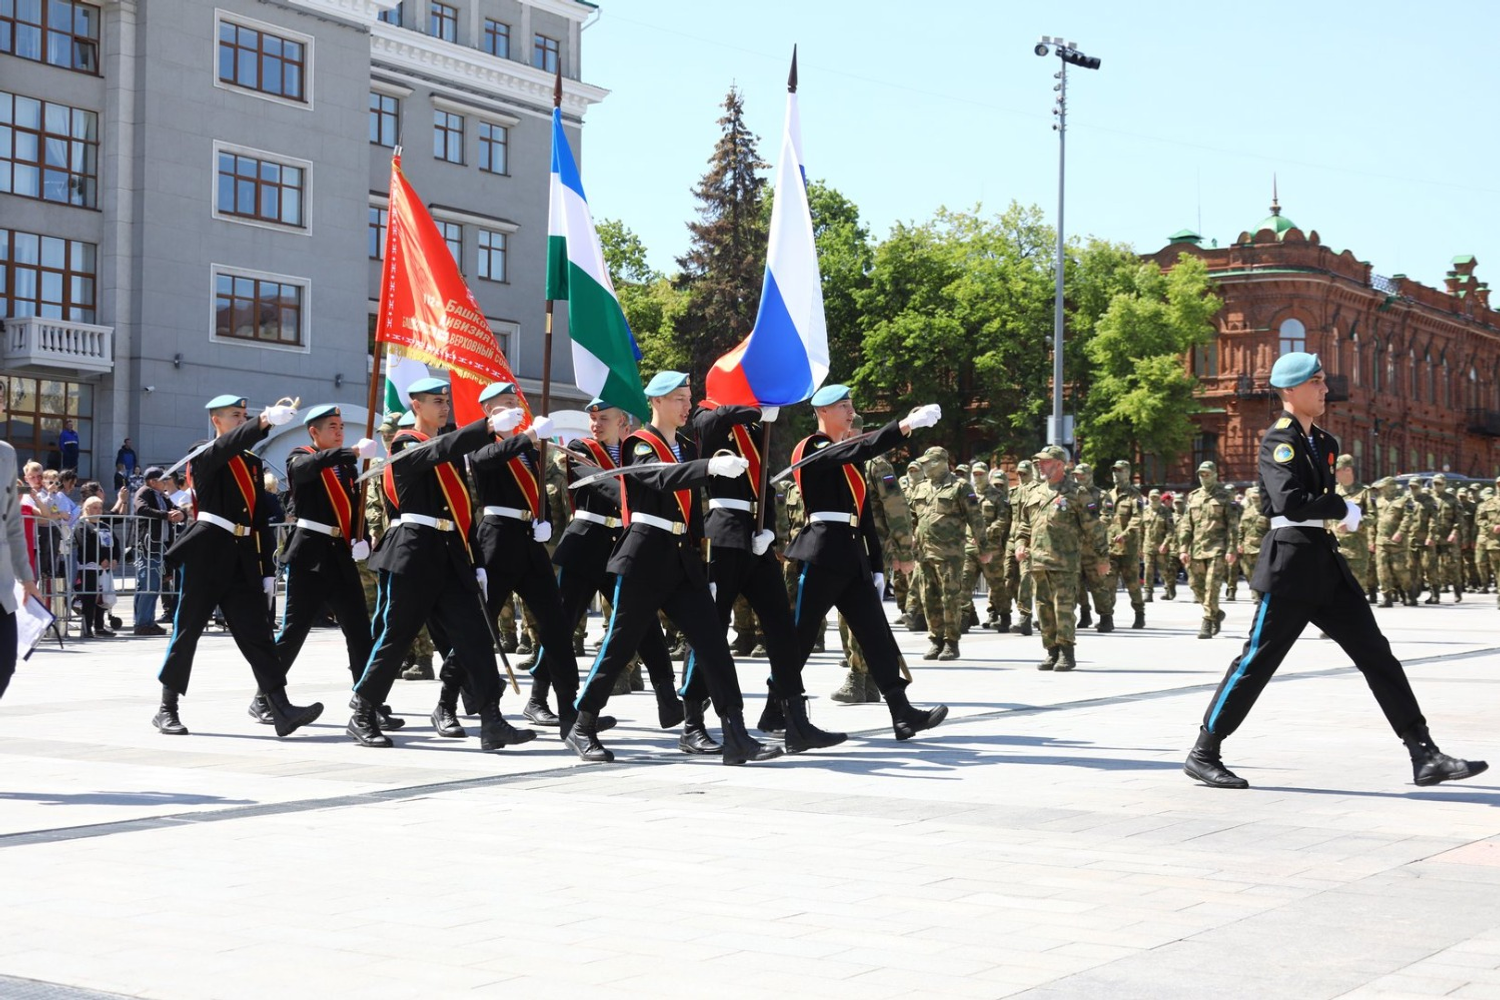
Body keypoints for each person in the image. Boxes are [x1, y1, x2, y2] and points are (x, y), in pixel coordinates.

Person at [1184, 353, 1488, 789]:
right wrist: (1341, 506)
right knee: (1257, 661)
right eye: (1316, 382)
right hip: (1289, 562)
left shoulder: (1324, 443)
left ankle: (1424, 753)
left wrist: (1339, 512)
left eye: (1324, 381)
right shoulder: (1278, 441)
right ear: (1290, 391)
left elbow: (1311, 500)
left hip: (1323, 560)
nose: (1325, 389)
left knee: (1376, 654)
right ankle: (1203, 752)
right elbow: (1289, 501)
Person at [567, 371, 778, 765]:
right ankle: (582, 724)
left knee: (714, 646)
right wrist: (708, 469)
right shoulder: (639, 444)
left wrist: (704, 564)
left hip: (682, 559)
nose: (686, 406)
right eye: (679, 399)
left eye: (688, 398)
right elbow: (659, 479)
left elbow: (692, 514)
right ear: (657, 402)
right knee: (619, 645)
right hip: (645, 556)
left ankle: (736, 735)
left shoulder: (683, 443)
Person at [350, 378, 536, 751]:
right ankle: (363, 712)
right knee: (397, 637)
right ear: (416, 406)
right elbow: (436, 451)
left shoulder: (446, 448)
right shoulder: (405, 443)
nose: (444, 406)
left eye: (446, 400)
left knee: (476, 637)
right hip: (413, 553)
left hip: (450, 554)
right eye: (436, 401)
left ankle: (491, 720)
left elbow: (462, 510)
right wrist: (485, 428)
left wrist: (477, 561)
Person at [784, 384, 949, 740]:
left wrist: (875, 565)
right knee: (801, 635)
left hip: (850, 555)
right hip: (822, 553)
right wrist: (904, 426)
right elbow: (860, 446)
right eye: (844, 406)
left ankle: (901, 712)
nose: (850, 411)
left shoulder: (849, 457)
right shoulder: (812, 448)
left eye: (851, 405)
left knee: (876, 635)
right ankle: (776, 707)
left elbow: (864, 516)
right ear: (823, 411)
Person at [153, 395, 323, 738]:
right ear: (217, 421)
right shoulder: (203, 452)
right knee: (187, 630)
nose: (243, 419)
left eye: (246, 415)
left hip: (242, 554)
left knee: (257, 634)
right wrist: (262, 423)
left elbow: (258, 517)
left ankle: (280, 707)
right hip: (207, 553)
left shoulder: (250, 463)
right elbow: (227, 446)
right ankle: (166, 708)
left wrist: (265, 570)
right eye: (236, 416)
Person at [694, 395, 846, 753]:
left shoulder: (754, 426)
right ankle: (692, 719)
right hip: (724, 535)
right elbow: (705, 425)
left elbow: (764, 485)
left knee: (781, 628)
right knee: (710, 629)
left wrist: (770, 533)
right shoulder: (710, 413)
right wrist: (753, 410)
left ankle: (794, 721)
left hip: (755, 535)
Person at [253, 405, 394, 727]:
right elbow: (305, 469)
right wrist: (350, 452)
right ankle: (265, 696)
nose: (340, 430)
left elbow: (351, 506)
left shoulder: (345, 467)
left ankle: (367, 699)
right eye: (332, 426)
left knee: (359, 632)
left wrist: (359, 536)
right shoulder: (299, 455)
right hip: (309, 557)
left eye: (342, 426)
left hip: (339, 556)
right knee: (294, 632)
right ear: (313, 432)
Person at [549, 397, 683, 730]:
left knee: (645, 626)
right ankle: (543, 698)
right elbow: (602, 483)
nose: (596, 424)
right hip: (585, 548)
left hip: (615, 549)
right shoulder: (581, 449)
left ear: (622, 422)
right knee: (561, 627)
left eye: (603, 418)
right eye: (592, 418)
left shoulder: (629, 449)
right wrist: (637, 490)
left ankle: (667, 700)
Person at [460, 382, 583, 739]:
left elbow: (533, 489)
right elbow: (483, 462)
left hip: (529, 540)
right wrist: (527, 435)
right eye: (505, 405)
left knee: (556, 625)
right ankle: (447, 698)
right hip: (497, 539)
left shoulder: (529, 448)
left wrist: (541, 517)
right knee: (481, 628)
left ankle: (567, 711)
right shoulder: (482, 440)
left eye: (516, 403)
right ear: (487, 412)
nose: (514, 409)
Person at [1013, 445, 1108, 673]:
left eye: (1045, 462)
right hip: (1037, 561)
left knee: (1063, 608)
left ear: (1059, 464)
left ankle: (1067, 652)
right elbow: (1024, 524)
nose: (1040, 465)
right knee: (1043, 608)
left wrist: (1102, 557)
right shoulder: (1034, 492)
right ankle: (1051, 650)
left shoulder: (1077, 493)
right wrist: (1019, 544)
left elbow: (1094, 528)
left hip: (1064, 562)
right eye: (1039, 462)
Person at [1, 382, 46, 700]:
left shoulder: (6, 454)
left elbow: (13, 524)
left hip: (2, 588)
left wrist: (26, 578)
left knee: (5, 666)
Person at [1178, 461, 1240, 639]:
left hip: (1217, 548)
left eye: (1207, 474)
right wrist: (1183, 548)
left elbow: (1233, 526)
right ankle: (1216, 613)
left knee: (1212, 586)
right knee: (1195, 585)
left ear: (1214, 474)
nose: (1203, 477)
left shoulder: (1225, 496)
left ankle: (1207, 621)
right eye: (1201, 474)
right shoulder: (1193, 497)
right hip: (1197, 549)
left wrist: (1232, 549)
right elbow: (1186, 525)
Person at [132, 467, 181, 635]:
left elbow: (175, 508)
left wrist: (179, 513)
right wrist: (165, 515)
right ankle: (143, 623)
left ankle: (146, 621)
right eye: (163, 479)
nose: (166, 483)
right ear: (153, 481)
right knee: (148, 585)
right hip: (148, 545)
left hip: (159, 544)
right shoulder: (144, 492)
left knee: (151, 584)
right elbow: (141, 509)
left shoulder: (161, 496)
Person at [72, 496, 121, 638]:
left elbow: (115, 543)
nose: (98, 510)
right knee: (90, 597)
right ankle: (87, 627)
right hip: (90, 566)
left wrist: (115, 559)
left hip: (105, 568)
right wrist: (100, 560)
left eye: (100, 507)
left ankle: (99, 626)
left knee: (103, 597)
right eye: (94, 507)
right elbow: (85, 544)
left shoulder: (105, 526)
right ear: (86, 509)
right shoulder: (82, 525)